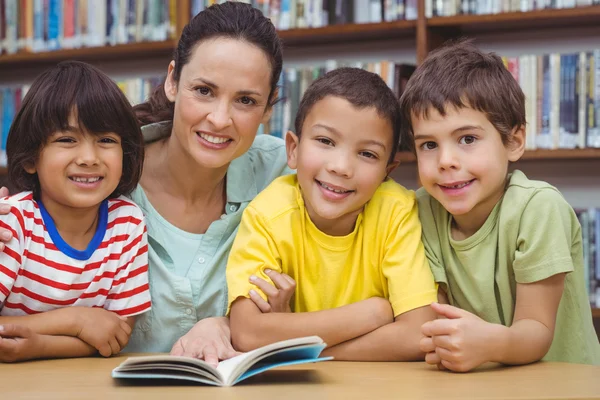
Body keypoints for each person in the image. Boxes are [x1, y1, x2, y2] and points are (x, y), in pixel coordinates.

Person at [0, 2, 289, 366]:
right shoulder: (100, 177)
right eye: (203, 90)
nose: (219, 119)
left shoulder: (286, 172)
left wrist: (227, 323)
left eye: (246, 100)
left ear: (268, 109)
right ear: (172, 81)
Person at [399, 40, 600, 372]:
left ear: (514, 141)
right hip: (480, 382)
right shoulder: (420, 210)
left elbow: (536, 332)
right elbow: (437, 319)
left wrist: (486, 343)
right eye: (429, 145)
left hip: (562, 382)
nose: (446, 161)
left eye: (467, 139)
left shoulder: (539, 208)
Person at [227, 67, 438, 361]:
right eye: (326, 141)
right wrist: (372, 313)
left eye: (367, 154)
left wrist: (300, 345)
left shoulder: (395, 211)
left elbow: (418, 333)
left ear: (386, 174)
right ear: (293, 150)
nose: (341, 167)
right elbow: (248, 333)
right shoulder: (268, 214)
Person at [0, 61, 150, 362]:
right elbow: (97, 329)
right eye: (66, 140)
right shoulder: (12, 224)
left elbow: (117, 334)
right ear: (31, 158)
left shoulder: (127, 224)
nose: (89, 158)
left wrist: (39, 346)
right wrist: (76, 321)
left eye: (106, 140)